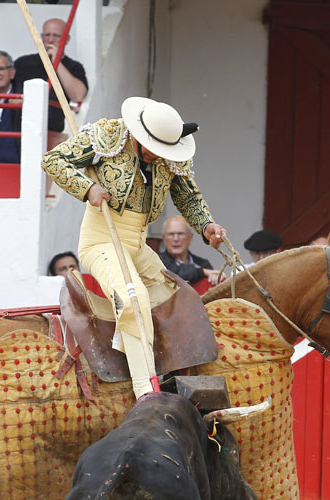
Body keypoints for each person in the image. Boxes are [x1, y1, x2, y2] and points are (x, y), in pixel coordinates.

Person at [42, 97, 227, 398]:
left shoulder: (168, 155)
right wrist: (88, 188)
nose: (160, 157)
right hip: (101, 240)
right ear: (140, 137)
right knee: (132, 299)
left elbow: (189, 198)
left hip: (138, 246)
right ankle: (145, 390)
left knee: (176, 298)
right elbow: (53, 160)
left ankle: (171, 374)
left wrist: (207, 227)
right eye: (155, 150)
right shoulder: (108, 136)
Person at [13, 18, 87, 138]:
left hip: (55, 130)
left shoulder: (73, 67)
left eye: (56, 36)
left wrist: (56, 63)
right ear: (41, 37)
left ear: (67, 39)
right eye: (47, 35)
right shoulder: (23, 63)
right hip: (22, 128)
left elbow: (78, 95)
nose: (51, 40)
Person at [158, 215, 222, 291]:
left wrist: (215, 277)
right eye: (171, 234)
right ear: (164, 238)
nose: (176, 239)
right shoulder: (157, 261)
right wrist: (202, 272)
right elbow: (173, 275)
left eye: (181, 234)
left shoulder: (203, 264)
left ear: (190, 238)